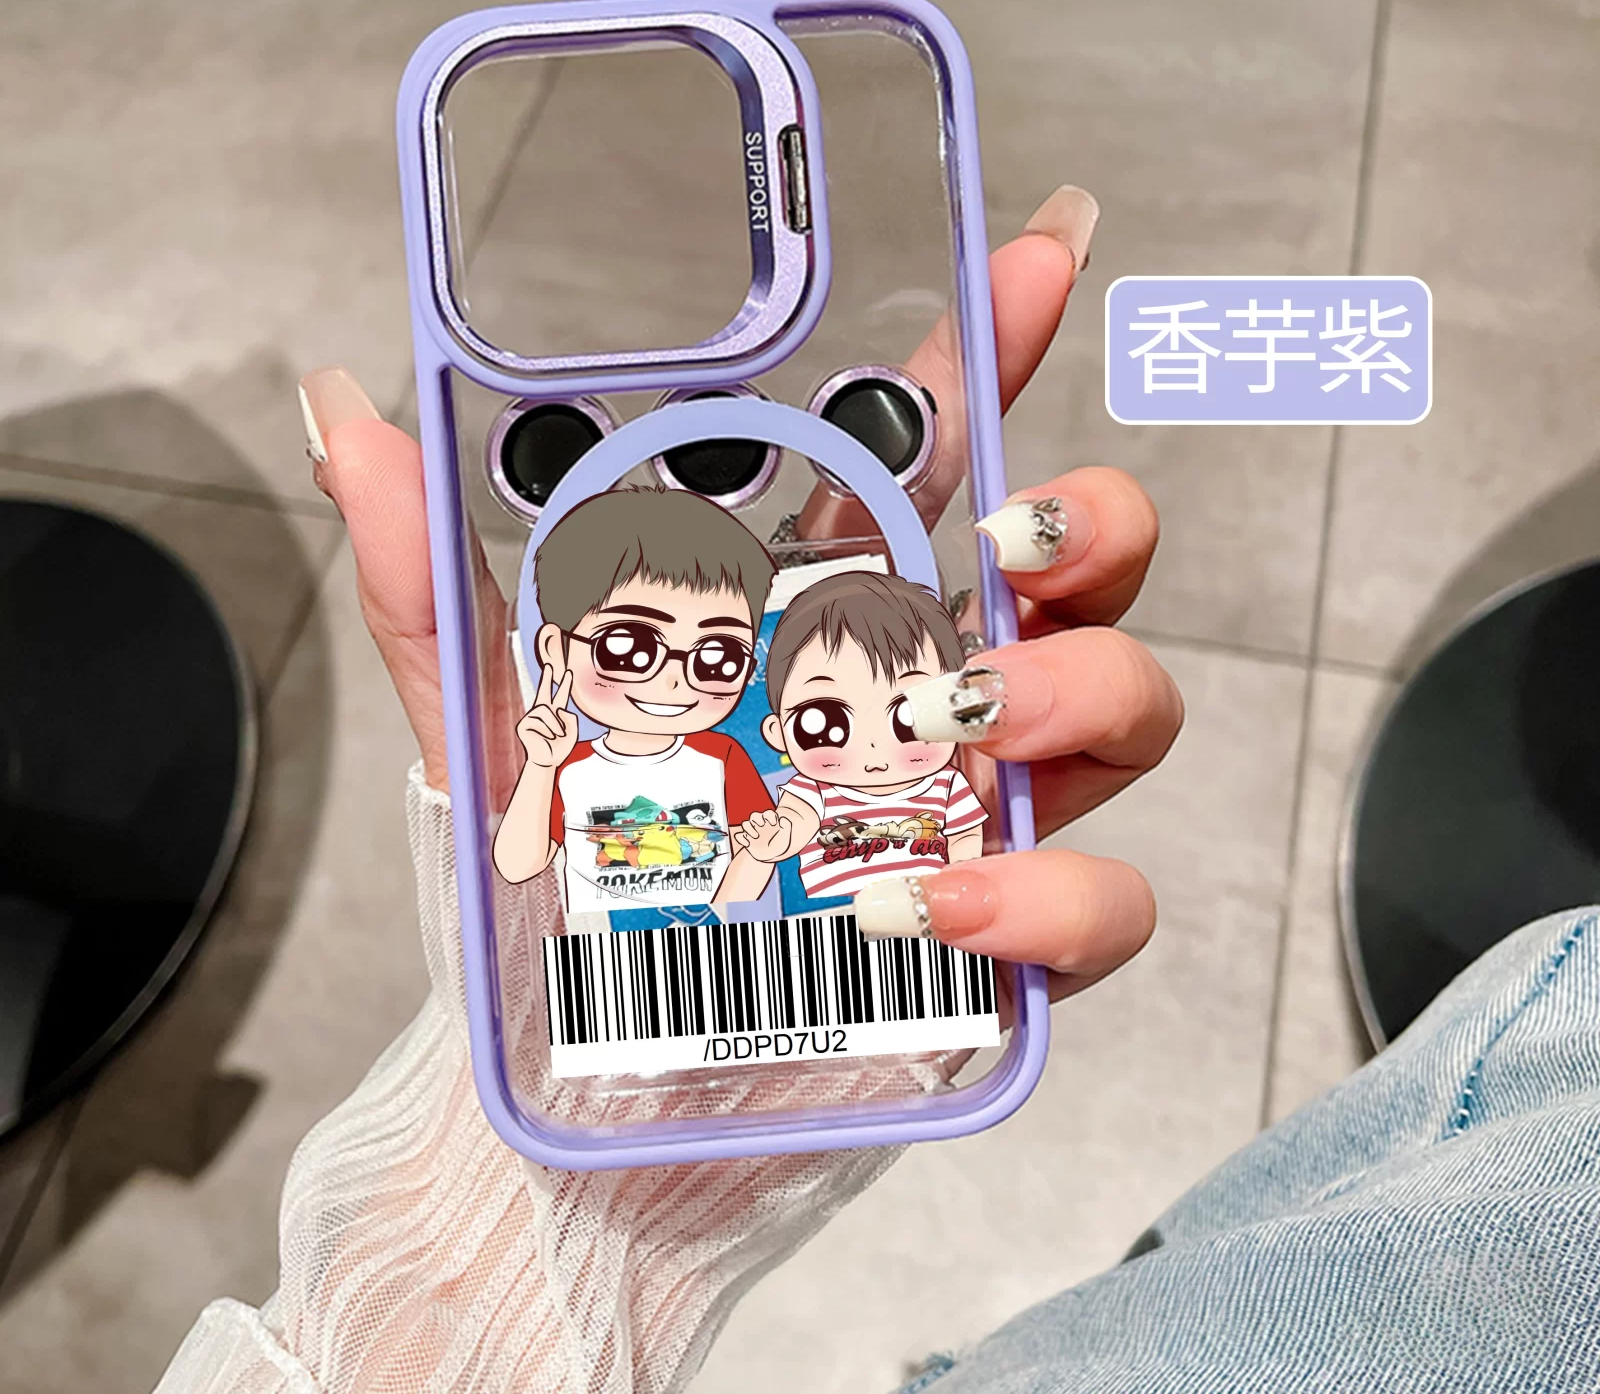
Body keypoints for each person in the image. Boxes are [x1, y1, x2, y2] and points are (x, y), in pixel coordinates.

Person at [158, 186, 1597, 1393]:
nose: (680, 678)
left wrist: (534, 1228)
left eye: (715, 655)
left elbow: (738, 848)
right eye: (638, 650)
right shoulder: (623, 763)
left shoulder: (739, 766)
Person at [490, 485, 777, 921]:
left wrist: (753, 869)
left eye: (718, 657)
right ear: (556, 649)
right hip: (601, 957)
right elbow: (517, 865)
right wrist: (541, 765)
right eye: (629, 648)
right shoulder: (568, 768)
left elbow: (750, 865)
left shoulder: (722, 758)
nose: (674, 678)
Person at [724, 570, 988, 906]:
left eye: (909, 718)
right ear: (779, 732)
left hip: (922, 913)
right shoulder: (813, 790)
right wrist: (774, 841)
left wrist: (964, 880)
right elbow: (795, 824)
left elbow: (965, 837)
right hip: (833, 918)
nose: (873, 749)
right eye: (825, 723)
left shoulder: (947, 785)